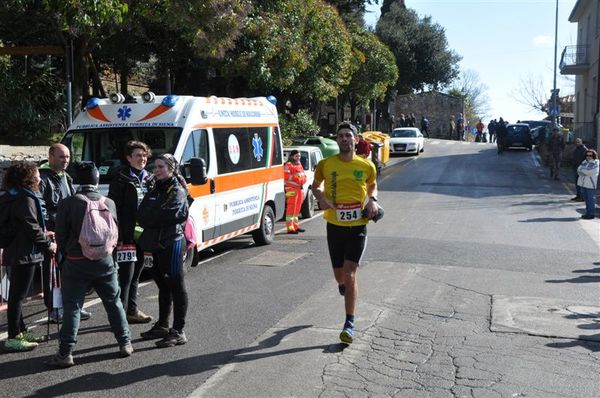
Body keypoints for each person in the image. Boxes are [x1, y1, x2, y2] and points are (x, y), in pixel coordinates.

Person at [46, 162, 132, 367]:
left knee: (73, 307)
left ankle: (65, 353)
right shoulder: (109, 202)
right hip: (105, 262)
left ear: (76, 181)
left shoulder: (68, 203)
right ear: (96, 181)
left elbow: (61, 235)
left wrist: (66, 255)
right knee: (114, 302)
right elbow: (115, 231)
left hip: (76, 263)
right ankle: (125, 342)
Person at [311, 122, 378, 345]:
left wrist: (373, 201)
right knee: (340, 276)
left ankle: (349, 323)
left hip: (358, 226)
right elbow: (315, 185)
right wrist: (321, 198)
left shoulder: (366, 165)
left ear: (356, 140)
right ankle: (342, 285)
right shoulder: (326, 164)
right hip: (335, 226)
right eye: (340, 136)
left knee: (350, 275)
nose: (344, 139)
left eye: (348, 135)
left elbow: (372, 184)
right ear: (337, 140)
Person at [1, 162, 57, 352]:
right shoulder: (26, 198)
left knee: (17, 295)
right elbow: (31, 226)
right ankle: (14, 336)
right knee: (17, 297)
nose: (40, 177)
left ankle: (21, 331)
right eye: (37, 173)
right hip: (24, 253)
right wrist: (48, 244)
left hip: (16, 250)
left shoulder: (13, 195)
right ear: (29, 177)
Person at [137, 154, 190, 348]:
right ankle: (162, 325)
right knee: (162, 285)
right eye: (155, 167)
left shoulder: (177, 189)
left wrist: (151, 215)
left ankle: (178, 331)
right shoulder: (155, 188)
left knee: (176, 286)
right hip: (154, 243)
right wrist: (152, 215)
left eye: (161, 167)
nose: (157, 170)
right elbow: (141, 215)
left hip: (172, 242)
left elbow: (169, 215)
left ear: (171, 168)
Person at [39, 143, 91, 323]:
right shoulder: (43, 179)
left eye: (68, 157)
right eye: (62, 157)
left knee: (71, 273)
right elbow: (41, 208)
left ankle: (74, 306)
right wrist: (48, 229)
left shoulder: (66, 177)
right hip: (53, 234)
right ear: (51, 157)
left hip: (69, 234)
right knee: (52, 275)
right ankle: (55, 309)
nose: (66, 160)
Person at [108, 140, 154, 324]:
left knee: (137, 275)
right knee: (126, 277)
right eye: (137, 155)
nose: (142, 158)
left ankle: (132, 310)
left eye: (144, 155)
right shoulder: (120, 179)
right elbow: (114, 208)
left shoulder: (151, 178)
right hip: (127, 236)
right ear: (128, 158)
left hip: (144, 235)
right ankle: (119, 318)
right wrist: (118, 234)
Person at [284, 150, 307, 234]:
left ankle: (295, 226)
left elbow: (303, 175)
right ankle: (290, 228)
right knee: (291, 208)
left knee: (297, 208)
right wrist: (297, 178)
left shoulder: (299, 164)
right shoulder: (288, 165)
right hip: (291, 189)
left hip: (299, 189)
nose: (298, 158)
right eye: (296, 156)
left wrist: (303, 179)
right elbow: (286, 176)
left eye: (299, 156)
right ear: (292, 156)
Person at [577, 149, 599, 220]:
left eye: (590, 155)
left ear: (593, 156)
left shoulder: (596, 162)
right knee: (586, 199)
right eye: (587, 155)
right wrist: (585, 171)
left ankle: (591, 214)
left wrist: (583, 171)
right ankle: (587, 213)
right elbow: (578, 169)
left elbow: (592, 171)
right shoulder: (584, 162)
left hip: (590, 184)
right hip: (583, 184)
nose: (588, 156)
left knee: (590, 199)